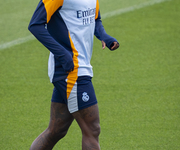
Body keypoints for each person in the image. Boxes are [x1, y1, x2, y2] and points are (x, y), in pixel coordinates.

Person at [28, 0, 119, 149]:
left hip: (78, 68)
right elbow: (35, 25)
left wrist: (105, 36)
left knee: (57, 130)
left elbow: (95, 18)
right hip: (72, 71)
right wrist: (63, 54)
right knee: (92, 129)